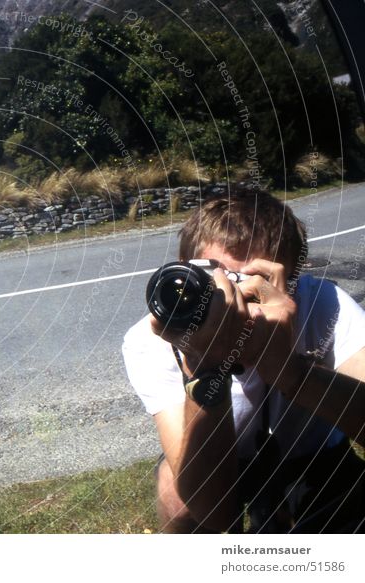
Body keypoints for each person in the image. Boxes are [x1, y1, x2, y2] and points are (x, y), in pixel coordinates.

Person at [122, 193, 365, 533]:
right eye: (215, 279)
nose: (230, 298)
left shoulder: (322, 303)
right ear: (185, 269)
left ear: (293, 280)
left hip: (313, 454)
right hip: (225, 457)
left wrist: (290, 373)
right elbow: (216, 514)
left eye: (252, 283)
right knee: (176, 497)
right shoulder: (154, 337)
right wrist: (204, 368)